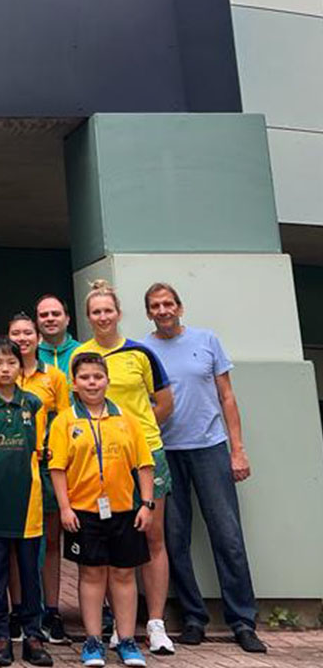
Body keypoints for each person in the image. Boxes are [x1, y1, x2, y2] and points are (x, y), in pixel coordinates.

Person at [140, 283, 266, 654]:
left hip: (210, 447)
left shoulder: (207, 340)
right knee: (173, 539)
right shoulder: (142, 349)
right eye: (155, 306)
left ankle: (242, 621)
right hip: (166, 451)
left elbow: (227, 396)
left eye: (168, 303)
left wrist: (237, 450)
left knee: (227, 535)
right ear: (148, 313)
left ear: (179, 306)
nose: (163, 310)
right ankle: (193, 618)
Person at [72, 282, 175, 657]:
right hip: (101, 463)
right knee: (114, 539)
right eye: (95, 312)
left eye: (108, 310)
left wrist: (139, 434)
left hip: (145, 456)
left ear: (118, 313)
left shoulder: (140, 353)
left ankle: (156, 623)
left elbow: (164, 403)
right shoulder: (81, 355)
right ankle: (120, 626)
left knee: (152, 537)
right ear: (88, 317)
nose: (102, 317)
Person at [49, 353, 155, 668]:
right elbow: (57, 469)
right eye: (85, 377)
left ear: (107, 380)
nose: (92, 383)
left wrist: (147, 503)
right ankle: (93, 641)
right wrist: (65, 508)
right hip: (83, 512)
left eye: (97, 376)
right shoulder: (65, 421)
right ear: (74, 383)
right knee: (91, 573)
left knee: (123, 574)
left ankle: (126, 640)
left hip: (124, 510)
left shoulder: (126, 420)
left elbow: (144, 464)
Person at [0, 338, 51, 668]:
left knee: (31, 573)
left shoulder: (34, 403)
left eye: (11, 362)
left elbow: (39, 453)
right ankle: (0, 634)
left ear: (21, 366)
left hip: (28, 503)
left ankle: (33, 635)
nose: (5, 368)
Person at [5, 314, 71, 645]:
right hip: (14, 467)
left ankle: (52, 610)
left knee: (51, 541)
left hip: (46, 466)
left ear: (37, 337)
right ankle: (18, 610)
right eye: (15, 333)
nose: (22, 338)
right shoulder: (3, 377)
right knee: (18, 543)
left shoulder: (54, 377)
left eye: (27, 332)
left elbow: (63, 420)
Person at [34, 296, 79, 377]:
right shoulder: (31, 356)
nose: (50, 318)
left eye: (56, 314)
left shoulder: (82, 352)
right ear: (36, 321)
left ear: (67, 319)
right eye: (44, 315)